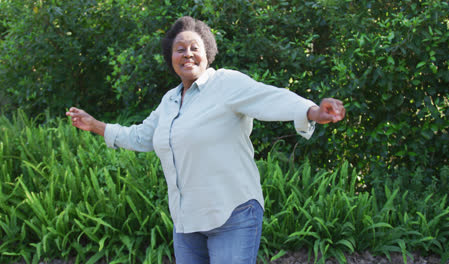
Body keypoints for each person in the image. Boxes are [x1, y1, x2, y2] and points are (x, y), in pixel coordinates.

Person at [66, 16, 345, 264]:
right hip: (187, 222)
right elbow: (141, 136)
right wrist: (96, 126)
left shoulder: (226, 84)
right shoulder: (170, 101)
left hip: (233, 215)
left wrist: (313, 112)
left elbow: (270, 98)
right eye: (180, 49)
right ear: (171, 58)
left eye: (194, 48)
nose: (187, 54)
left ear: (207, 54)